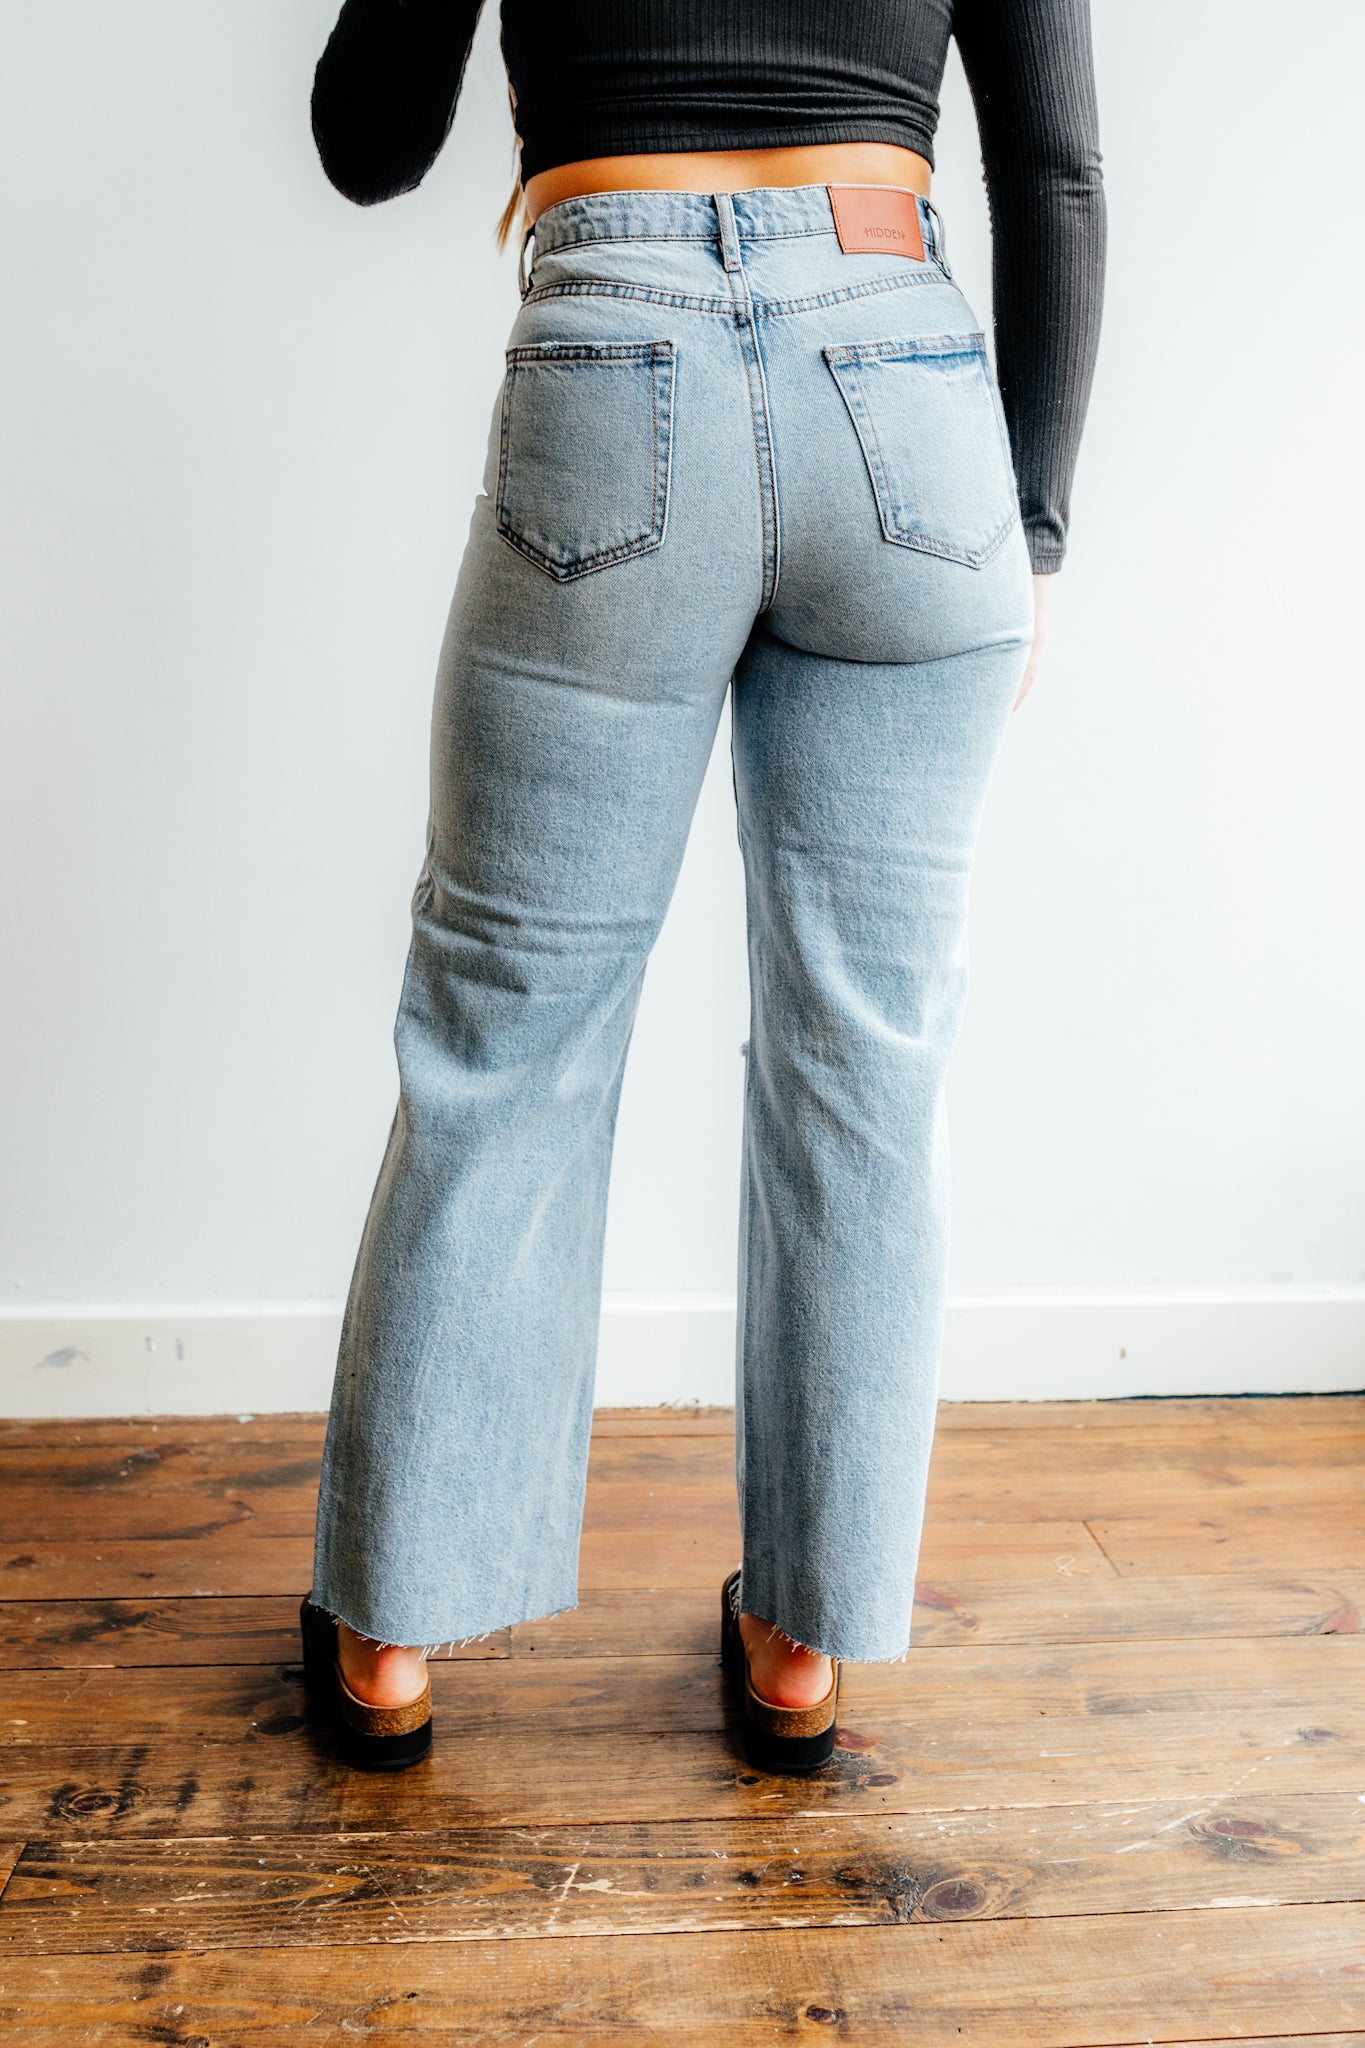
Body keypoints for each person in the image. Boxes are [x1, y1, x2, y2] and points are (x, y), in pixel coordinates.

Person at [297, 0, 1106, 1773]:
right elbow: (1052, 168)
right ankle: (802, 1642)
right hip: (903, 379)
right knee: (865, 1056)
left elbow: (368, 143)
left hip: (616, 342)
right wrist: (1034, 529)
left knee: (506, 1031)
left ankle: (390, 1639)